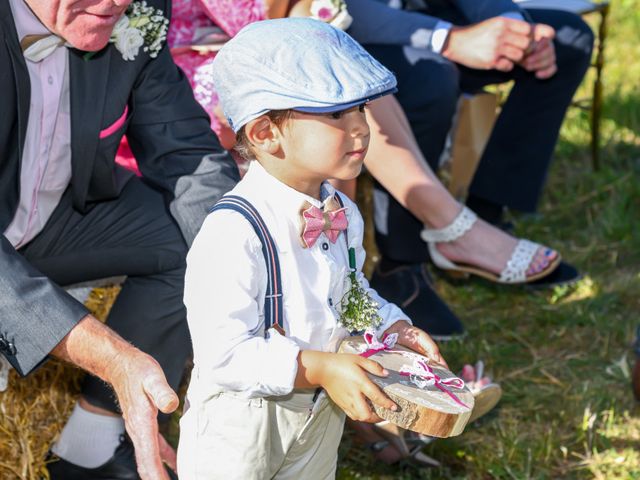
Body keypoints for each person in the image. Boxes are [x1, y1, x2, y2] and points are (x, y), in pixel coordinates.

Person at [176, 17, 447, 478]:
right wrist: (319, 367)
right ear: (265, 134)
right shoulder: (233, 231)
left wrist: (391, 326)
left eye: (360, 109)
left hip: (320, 417)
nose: (361, 129)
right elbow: (223, 355)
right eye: (336, 115)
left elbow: (352, 293)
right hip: (240, 432)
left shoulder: (341, 210)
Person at [0, 0, 239, 478]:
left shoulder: (133, 12)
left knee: (202, 239)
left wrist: (257, 275)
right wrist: (113, 358)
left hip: (56, 222)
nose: (116, 2)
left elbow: (186, 151)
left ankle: (89, 447)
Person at [344, 0, 594, 310]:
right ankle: (401, 266)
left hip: (422, 12)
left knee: (569, 40)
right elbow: (333, 9)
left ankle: (486, 216)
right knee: (431, 80)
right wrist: (449, 39)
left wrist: (513, 30)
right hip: (348, 34)